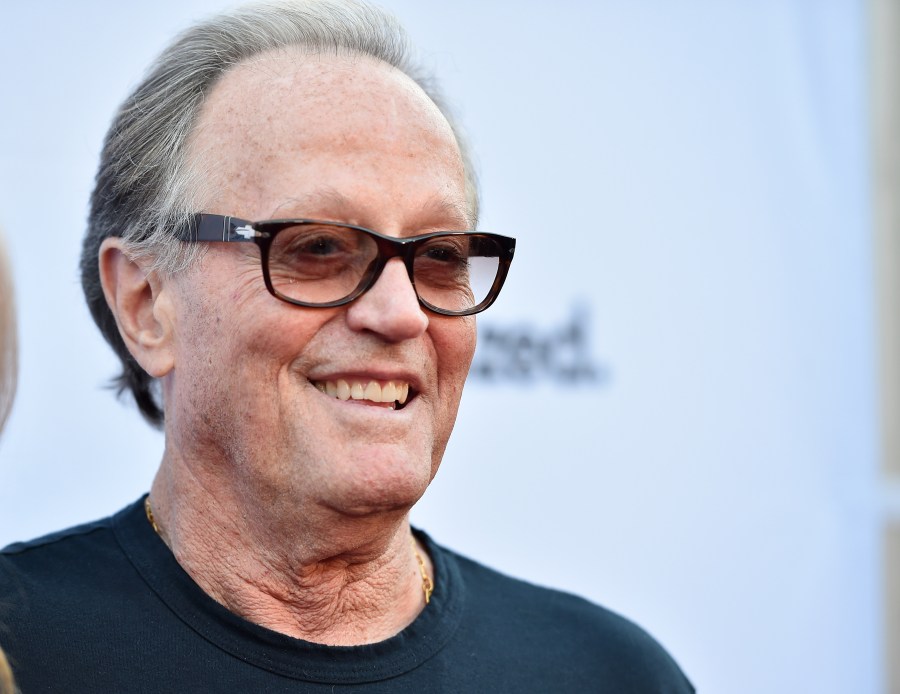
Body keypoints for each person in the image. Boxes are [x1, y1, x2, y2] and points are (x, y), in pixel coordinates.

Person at [0, 2, 693, 691]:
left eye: (441, 255)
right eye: (319, 247)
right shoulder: (19, 651)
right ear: (146, 304)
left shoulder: (606, 674)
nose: (401, 314)